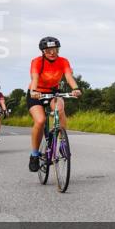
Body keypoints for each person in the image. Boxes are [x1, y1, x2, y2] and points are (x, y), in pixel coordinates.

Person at [27, 37, 81, 171]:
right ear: (43, 52)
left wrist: (75, 88)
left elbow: (68, 76)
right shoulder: (37, 61)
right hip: (36, 93)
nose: (52, 52)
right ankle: (34, 155)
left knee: (60, 109)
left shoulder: (63, 61)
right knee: (40, 121)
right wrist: (34, 91)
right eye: (48, 50)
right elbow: (35, 78)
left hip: (53, 92)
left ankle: (62, 142)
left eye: (55, 49)